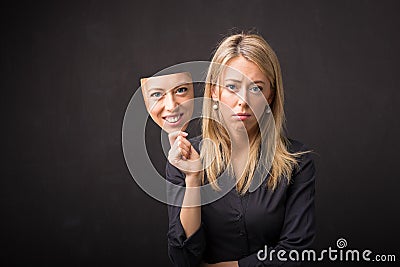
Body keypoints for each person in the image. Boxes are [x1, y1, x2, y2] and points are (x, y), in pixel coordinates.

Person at [166, 33, 316, 267]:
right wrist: (193, 178)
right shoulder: (185, 156)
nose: (242, 101)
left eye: (256, 88)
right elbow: (183, 258)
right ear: (215, 91)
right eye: (232, 86)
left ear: (271, 96)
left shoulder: (297, 162)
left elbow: (296, 252)